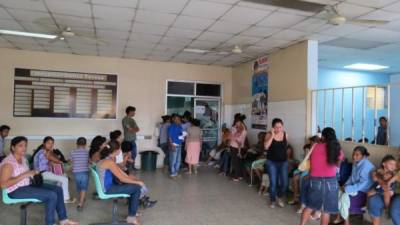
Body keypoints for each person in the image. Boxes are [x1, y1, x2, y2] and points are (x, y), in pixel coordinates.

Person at [0, 136, 78, 225]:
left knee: (58, 189)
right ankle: (50, 223)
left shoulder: (22, 158)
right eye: (20, 146)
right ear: (13, 147)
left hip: (27, 184)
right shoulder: (8, 163)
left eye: (25, 145)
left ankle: (63, 220)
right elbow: (3, 185)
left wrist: (32, 173)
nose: (24, 148)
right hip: (15, 190)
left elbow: (27, 173)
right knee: (51, 195)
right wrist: (25, 174)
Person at [300, 127, 344, 225]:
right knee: (326, 210)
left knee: (310, 206)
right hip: (331, 181)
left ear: (323, 136)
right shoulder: (337, 148)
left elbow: (312, 162)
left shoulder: (315, 146)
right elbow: (338, 165)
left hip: (315, 179)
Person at [97, 141, 143, 225]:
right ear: (116, 151)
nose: (120, 150)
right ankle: (131, 217)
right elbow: (121, 178)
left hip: (108, 186)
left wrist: (133, 179)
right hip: (108, 189)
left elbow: (120, 172)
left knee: (133, 185)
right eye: (119, 149)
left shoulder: (107, 159)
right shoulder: (109, 162)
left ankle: (132, 212)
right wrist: (137, 182)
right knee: (136, 188)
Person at [333, 146, 375, 225]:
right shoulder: (356, 163)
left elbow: (363, 184)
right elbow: (351, 177)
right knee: (337, 192)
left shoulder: (366, 166)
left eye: (357, 154)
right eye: (353, 154)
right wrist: (345, 185)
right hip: (355, 187)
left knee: (344, 197)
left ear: (363, 156)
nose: (354, 156)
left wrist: (347, 189)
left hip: (363, 191)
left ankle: (346, 222)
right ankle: (339, 218)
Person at [33, 136, 76, 203]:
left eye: (52, 143)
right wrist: (53, 158)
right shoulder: (44, 152)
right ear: (44, 143)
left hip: (44, 172)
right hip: (41, 174)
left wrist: (51, 161)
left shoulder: (42, 151)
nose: (51, 145)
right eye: (48, 143)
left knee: (63, 175)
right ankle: (66, 199)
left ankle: (59, 195)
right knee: (64, 179)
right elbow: (58, 161)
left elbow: (49, 161)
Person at [264, 118, 289, 208]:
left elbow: (285, 148)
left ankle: (280, 197)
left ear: (282, 127)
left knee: (285, 183)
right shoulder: (269, 134)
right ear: (273, 127)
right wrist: (272, 135)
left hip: (283, 162)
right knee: (273, 183)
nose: (278, 129)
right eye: (276, 127)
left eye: (280, 127)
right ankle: (273, 200)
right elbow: (266, 147)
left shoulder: (286, 134)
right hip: (271, 162)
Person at [367, 155, 398, 225]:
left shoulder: (394, 173)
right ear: (384, 164)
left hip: (389, 190)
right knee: (369, 194)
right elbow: (374, 177)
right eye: (391, 164)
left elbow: (391, 184)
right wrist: (381, 181)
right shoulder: (379, 170)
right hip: (379, 188)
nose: (393, 166)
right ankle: (375, 219)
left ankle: (388, 208)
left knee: (387, 192)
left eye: (394, 164)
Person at [69, 137, 90, 211]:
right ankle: (81, 202)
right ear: (85, 144)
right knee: (84, 187)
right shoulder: (87, 152)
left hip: (76, 172)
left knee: (79, 186)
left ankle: (81, 198)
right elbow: (89, 162)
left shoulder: (72, 152)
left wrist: (70, 169)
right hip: (85, 172)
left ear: (76, 144)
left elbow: (71, 162)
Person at [122, 106, 140, 170]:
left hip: (133, 140)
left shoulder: (132, 120)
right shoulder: (125, 120)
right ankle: (126, 167)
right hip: (127, 140)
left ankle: (133, 166)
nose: (134, 113)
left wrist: (133, 129)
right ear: (129, 112)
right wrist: (133, 129)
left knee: (134, 154)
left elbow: (138, 129)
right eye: (133, 111)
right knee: (127, 155)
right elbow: (130, 130)